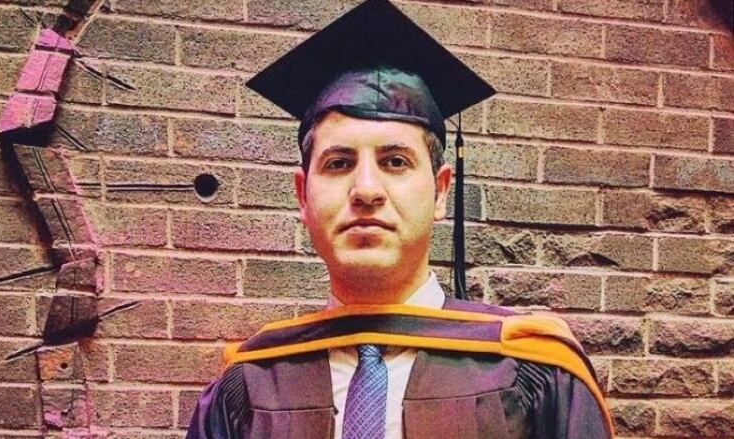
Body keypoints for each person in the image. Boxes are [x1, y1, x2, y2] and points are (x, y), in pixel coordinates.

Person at [186, 0, 613, 438]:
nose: (366, 189)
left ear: (441, 191)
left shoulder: (533, 371)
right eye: (338, 163)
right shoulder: (245, 387)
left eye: (394, 161)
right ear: (302, 196)